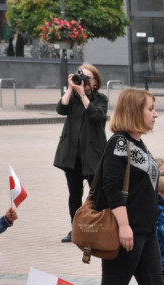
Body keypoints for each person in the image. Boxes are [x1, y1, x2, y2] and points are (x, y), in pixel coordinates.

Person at [90, 88, 164, 285]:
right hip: (128, 231)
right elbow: (113, 188)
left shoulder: (138, 144)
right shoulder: (119, 144)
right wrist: (123, 225)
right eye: (150, 109)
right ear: (135, 111)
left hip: (146, 231)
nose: (155, 114)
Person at [55, 63, 108, 242]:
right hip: (72, 156)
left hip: (93, 155)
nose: (83, 81)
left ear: (95, 82)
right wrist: (71, 88)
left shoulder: (101, 99)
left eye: (87, 78)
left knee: (97, 194)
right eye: (81, 76)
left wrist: (83, 94)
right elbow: (61, 109)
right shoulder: (74, 98)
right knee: (74, 194)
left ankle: (96, 228)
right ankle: (75, 230)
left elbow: (96, 116)